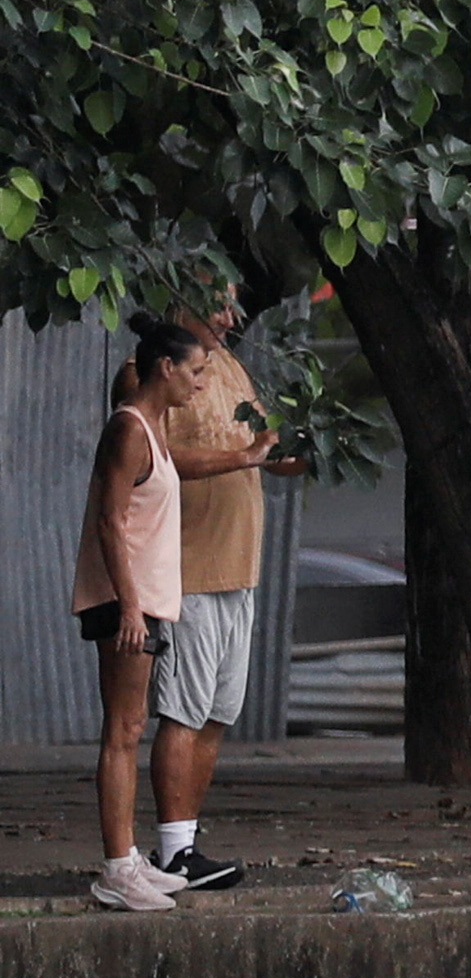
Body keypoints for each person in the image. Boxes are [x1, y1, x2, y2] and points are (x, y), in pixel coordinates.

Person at [146, 300, 307, 888]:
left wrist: (307, 450)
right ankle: (169, 853)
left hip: (242, 569)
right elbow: (154, 453)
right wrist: (240, 457)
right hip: (190, 570)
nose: (231, 315)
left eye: (236, 303)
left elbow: (268, 452)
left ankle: (185, 846)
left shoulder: (232, 367)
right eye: (218, 302)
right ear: (181, 299)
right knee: (183, 712)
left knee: (217, 714)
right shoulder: (152, 373)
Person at [70, 322, 194, 912]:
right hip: (127, 604)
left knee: (131, 727)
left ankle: (129, 855)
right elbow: (109, 522)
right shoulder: (129, 429)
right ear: (165, 368)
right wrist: (128, 604)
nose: (198, 383)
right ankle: (117, 867)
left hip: (144, 602)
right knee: (122, 731)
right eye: (193, 371)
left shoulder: (153, 428)